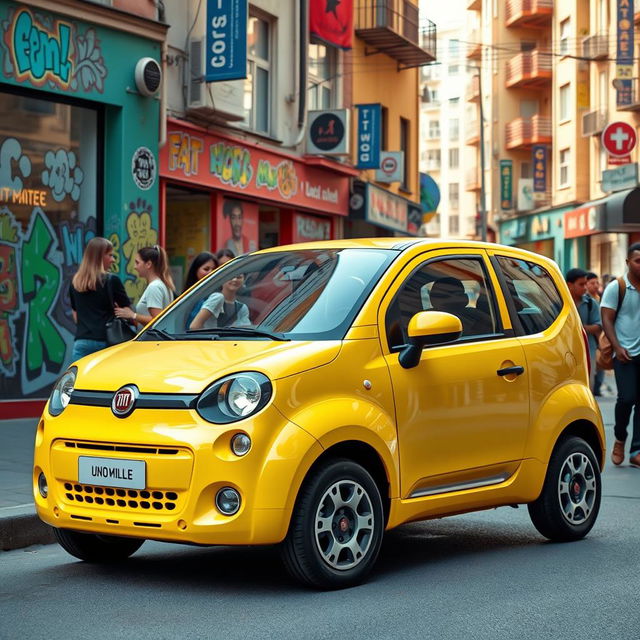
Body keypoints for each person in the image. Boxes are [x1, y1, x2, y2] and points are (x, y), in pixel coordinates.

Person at [601, 242, 640, 467]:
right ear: (628, 262)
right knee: (626, 398)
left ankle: (636, 451)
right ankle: (620, 437)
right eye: (638, 261)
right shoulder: (618, 287)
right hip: (624, 353)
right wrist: (616, 347)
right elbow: (606, 317)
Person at [69, 237, 130, 360]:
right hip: (106, 341)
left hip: (81, 342)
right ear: (99, 257)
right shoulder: (112, 281)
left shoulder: (76, 282)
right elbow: (126, 311)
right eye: (110, 255)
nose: (113, 260)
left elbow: (75, 315)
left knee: (81, 379)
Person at [114, 245, 174, 328]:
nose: (135, 267)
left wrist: (133, 315)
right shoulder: (163, 285)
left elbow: (157, 320)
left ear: (148, 264)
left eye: (137, 262)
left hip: (152, 339)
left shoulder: (154, 287)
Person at [565, 268, 601, 391]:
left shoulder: (591, 303)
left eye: (586, 283)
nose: (585, 287)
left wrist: (581, 328)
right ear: (569, 285)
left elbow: (598, 325)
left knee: (588, 386)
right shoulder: (561, 303)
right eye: (581, 284)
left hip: (588, 352)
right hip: (565, 351)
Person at [184, 251, 218, 328]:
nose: (211, 273)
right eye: (206, 269)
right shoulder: (188, 295)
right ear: (195, 270)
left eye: (214, 269)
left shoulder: (217, 295)